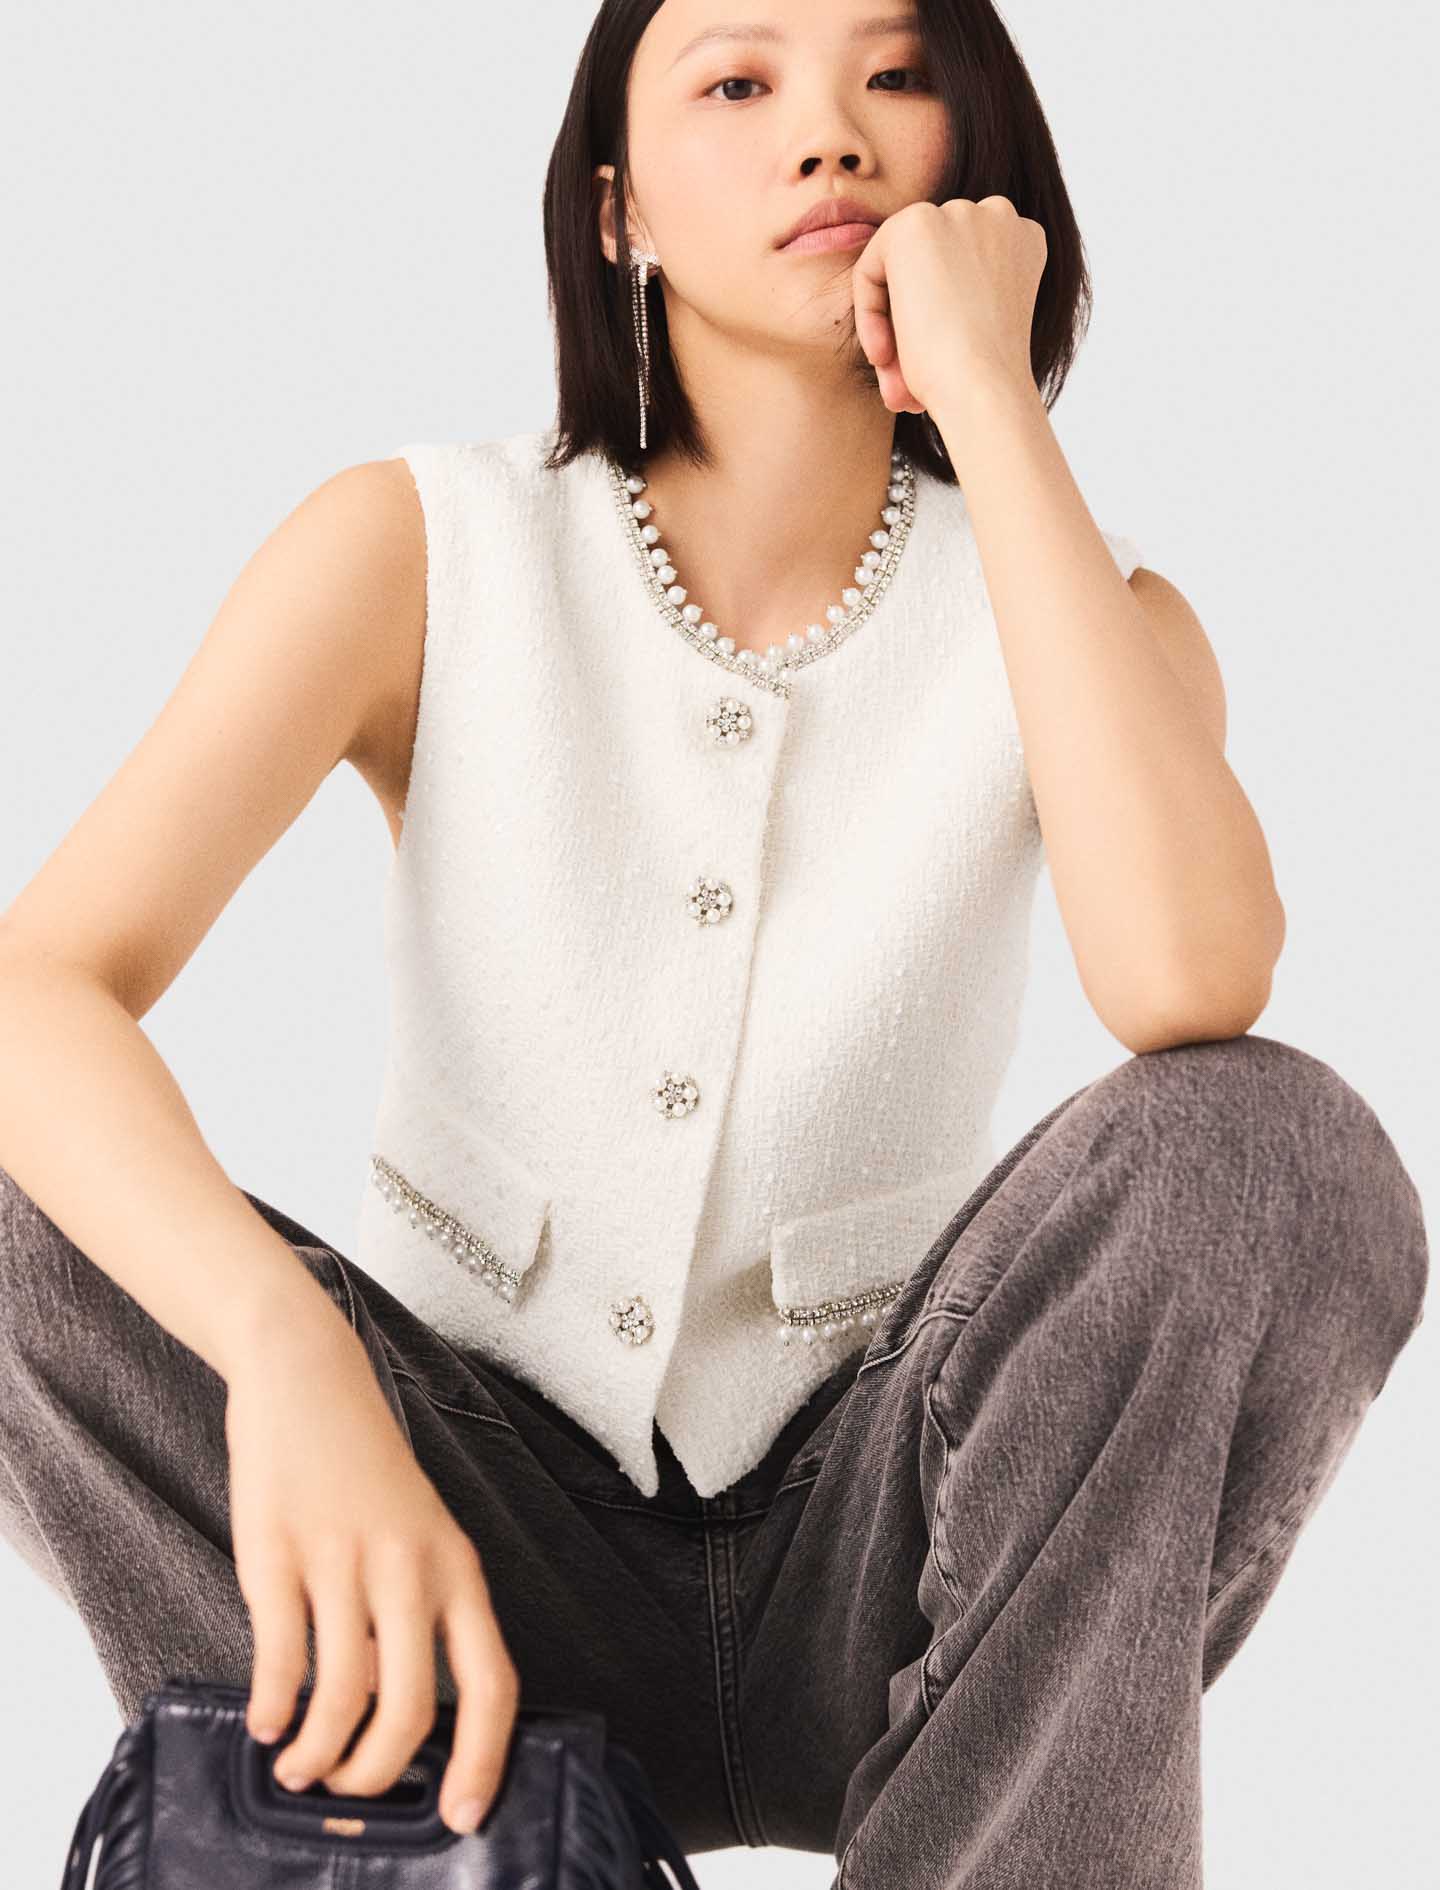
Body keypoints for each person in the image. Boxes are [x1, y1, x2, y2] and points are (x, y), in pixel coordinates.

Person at [0, 1, 1427, 1883]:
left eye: (895, 77)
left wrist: (990, 404)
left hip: (899, 1559)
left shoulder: (1087, 615)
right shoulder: (422, 546)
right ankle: (394, 1838)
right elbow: (37, 986)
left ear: (976, 167)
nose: (829, 133)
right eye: (739, 83)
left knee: (1264, 1143)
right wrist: (285, 1353)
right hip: (454, 1553)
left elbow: (1190, 988)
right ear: (619, 211)